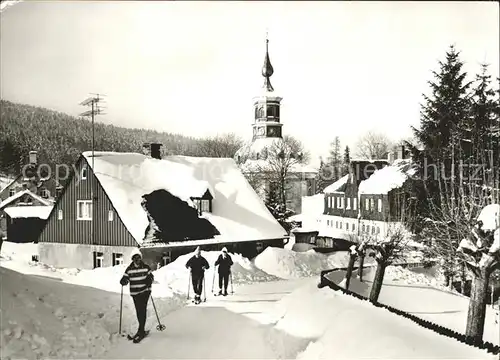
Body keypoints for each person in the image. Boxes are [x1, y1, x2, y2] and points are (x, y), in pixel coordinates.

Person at [120, 248, 154, 341]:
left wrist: (149, 280)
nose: (137, 260)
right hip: (135, 293)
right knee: (139, 311)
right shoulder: (129, 269)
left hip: (145, 291)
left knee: (142, 310)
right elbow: (125, 278)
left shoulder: (146, 267)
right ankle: (141, 329)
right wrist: (123, 281)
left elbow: (151, 277)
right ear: (132, 259)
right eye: (135, 258)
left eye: (139, 258)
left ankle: (141, 330)